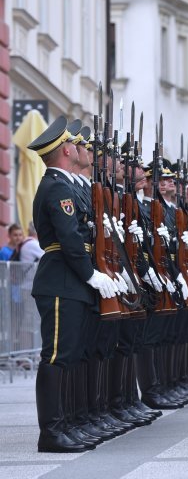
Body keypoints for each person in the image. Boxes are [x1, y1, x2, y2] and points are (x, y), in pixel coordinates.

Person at [26, 116, 121, 453]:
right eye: (79, 145)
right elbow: (69, 238)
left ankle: (69, 422)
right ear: (66, 150)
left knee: (74, 355)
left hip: (73, 280)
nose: (85, 149)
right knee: (56, 356)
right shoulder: (56, 187)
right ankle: (51, 432)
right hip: (61, 281)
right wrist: (90, 273)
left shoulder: (67, 186)